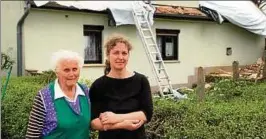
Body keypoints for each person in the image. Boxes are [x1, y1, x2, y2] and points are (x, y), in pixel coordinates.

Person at [89, 34, 153, 139]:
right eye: (116, 53)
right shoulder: (98, 85)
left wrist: (115, 118)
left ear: (128, 55)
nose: (120, 57)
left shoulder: (141, 81)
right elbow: (94, 122)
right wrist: (122, 124)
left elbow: (146, 114)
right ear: (108, 55)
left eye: (124, 53)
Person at [25, 50, 91, 139]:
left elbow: (92, 123)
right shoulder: (44, 96)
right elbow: (32, 135)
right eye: (66, 70)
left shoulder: (86, 91)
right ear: (57, 72)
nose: (72, 74)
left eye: (75, 69)